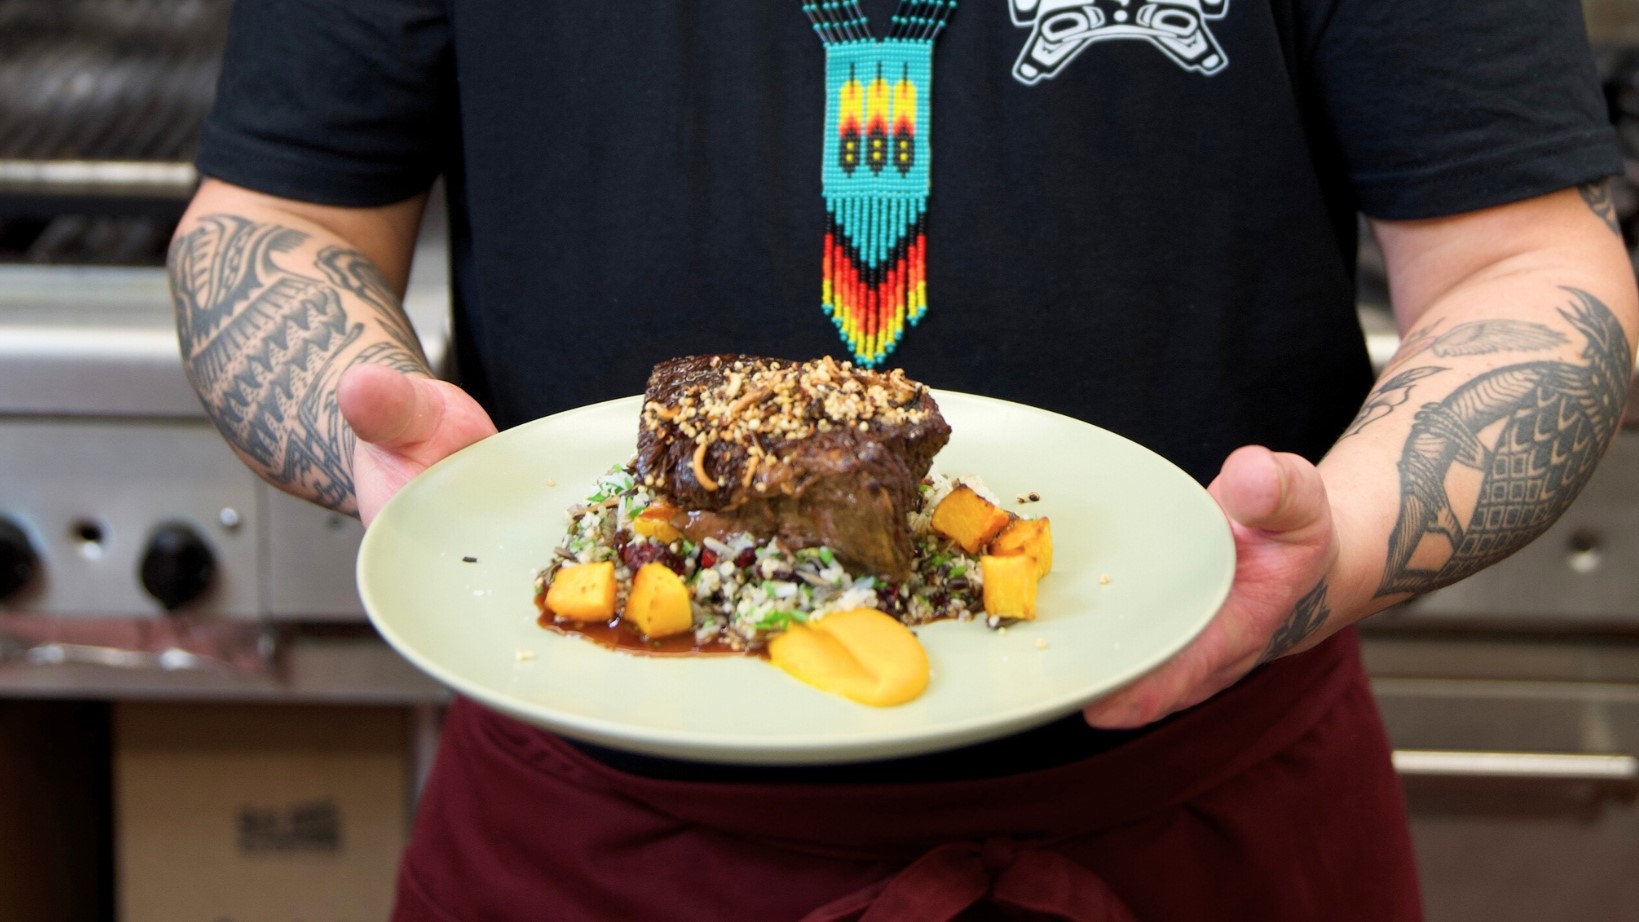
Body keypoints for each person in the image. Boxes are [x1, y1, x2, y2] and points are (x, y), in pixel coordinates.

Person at [169, 1, 1637, 918]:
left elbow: (1525, 261)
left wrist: (1345, 543)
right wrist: (365, 418)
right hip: (595, 841)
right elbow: (273, 224)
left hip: (1206, 818)